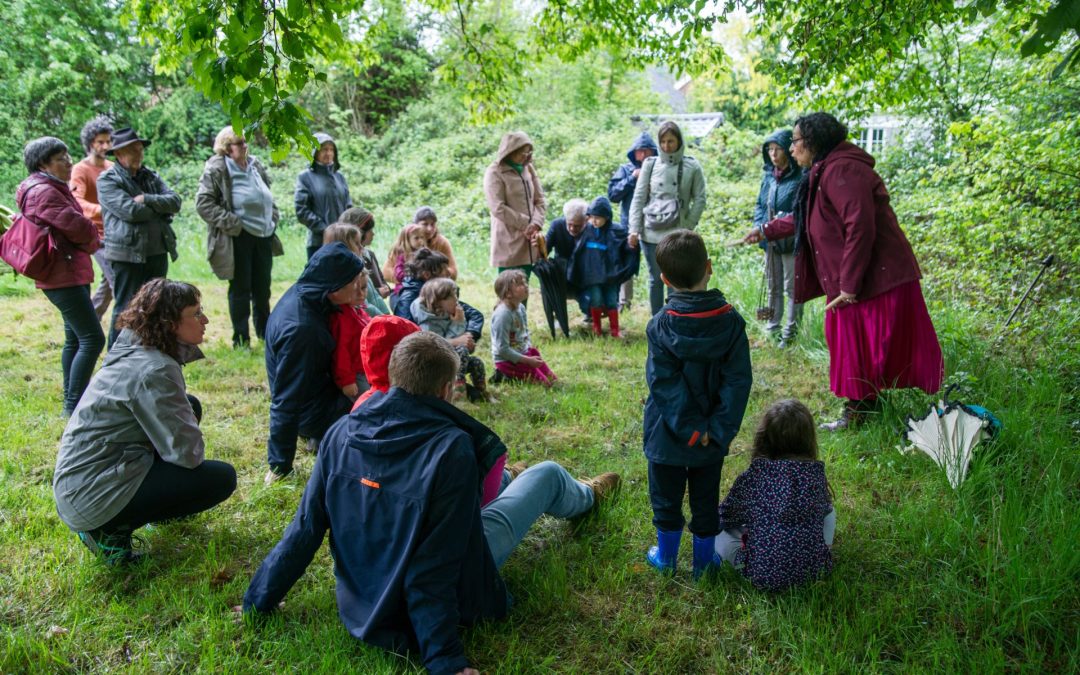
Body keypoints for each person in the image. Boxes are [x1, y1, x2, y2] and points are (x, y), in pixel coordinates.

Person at [241, 331, 620, 674]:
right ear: (445, 390)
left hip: (366, 593)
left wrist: (258, 599)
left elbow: (305, 527)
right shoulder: (450, 447)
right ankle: (587, 495)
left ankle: (506, 479)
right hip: (438, 589)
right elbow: (434, 563)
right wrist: (445, 661)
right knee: (549, 473)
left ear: (393, 377)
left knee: (498, 482)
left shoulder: (340, 431)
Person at [743, 113, 943, 430]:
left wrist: (848, 285)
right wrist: (766, 231)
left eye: (795, 142)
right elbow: (808, 217)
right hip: (857, 279)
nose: (791, 149)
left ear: (813, 142)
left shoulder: (842, 170)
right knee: (852, 344)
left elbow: (859, 226)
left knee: (860, 345)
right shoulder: (825, 170)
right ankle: (864, 408)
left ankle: (860, 413)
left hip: (874, 278)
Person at [53, 279, 236, 564]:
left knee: (190, 405)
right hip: (91, 497)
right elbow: (188, 455)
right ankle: (107, 532)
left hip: (80, 483)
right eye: (196, 313)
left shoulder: (136, 345)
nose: (206, 320)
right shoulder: (155, 368)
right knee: (221, 478)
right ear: (170, 322)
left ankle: (139, 508)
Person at [643, 230, 752, 579]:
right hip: (711, 438)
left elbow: (663, 383)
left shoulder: (660, 325)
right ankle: (703, 564)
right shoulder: (732, 322)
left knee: (666, 496)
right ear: (709, 267)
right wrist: (714, 430)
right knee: (706, 499)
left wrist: (692, 429)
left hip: (667, 434)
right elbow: (738, 382)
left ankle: (667, 558)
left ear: (664, 279)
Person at [263, 242, 366, 485]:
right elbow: (286, 401)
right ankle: (323, 435)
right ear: (334, 287)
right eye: (352, 282)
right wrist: (279, 465)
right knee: (380, 411)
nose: (358, 286)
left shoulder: (308, 291)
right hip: (312, 410)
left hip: (321, 388)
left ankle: (323, 437)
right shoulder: (303, 331)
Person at [18, 137, 104, 415]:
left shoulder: (50, 187)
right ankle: (74, 406)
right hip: (62, 272)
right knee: (93, 339)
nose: (69, 162)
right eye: (60, 158)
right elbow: (79, 227)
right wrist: (94, 236)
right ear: (43, 164)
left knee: (76, 338)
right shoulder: (45, 192)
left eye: (68, 156)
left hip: (66, 269)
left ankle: (72, 401)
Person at [715, 399, 835, 591]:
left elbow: (725, 516)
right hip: (815, 572)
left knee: (719, 533)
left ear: (764, 439)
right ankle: (822, 551)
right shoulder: (815, 474)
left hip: (762, 576)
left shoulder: (756, 474)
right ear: (808, 439)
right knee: (830, 512)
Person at [196, 126, 282, 348]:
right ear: (227, 148)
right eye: (239, 143)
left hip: (263, 234)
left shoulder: (254, 164)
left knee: (263, 288)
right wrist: (233, 223)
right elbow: (204, 204)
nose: (245, 146)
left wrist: (273, 217)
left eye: (245, 142)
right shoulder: (218, 168)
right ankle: (241, 339)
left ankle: (265, 336)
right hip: (238, 236)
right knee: (241, 289)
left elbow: (266, 194)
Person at [97, 127, 182, 348]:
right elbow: (131, 212)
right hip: (127, 254)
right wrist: (159, 208)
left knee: (156, 305)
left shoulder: (150, 175)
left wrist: (145, 198)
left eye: (139, 149)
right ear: (118, 154)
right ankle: (116, 356)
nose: (138, 153)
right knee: (127, 306)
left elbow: (175, 202)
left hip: (157, 250)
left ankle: (148, 350)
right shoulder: (107, 180)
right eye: (131, 150)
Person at [628, 121, 707, 316]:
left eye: (670, 141)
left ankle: (676, 317)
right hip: (650, 232)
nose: (666, 146)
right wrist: (634, 229)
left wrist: (687, 226)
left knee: (677, 281)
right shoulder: (650, 164)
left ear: (679, 141)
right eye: (662, 141)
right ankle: (657, 320)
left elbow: (700, 198)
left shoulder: (692, 166)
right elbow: (639, 197)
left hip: (677, 233)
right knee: (656, 279)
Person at [752, 129, 803, 347]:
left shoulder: (801, 176)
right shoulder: (768, 178)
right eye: (769, 149)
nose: (773, 154)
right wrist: (758, 227)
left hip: (791, 241)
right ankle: (772, 327)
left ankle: (790, 333)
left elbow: (799, 211)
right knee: (773, 286)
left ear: (788, 150)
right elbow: (760, 206)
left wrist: (777, 223)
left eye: (778, 148)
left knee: (793, 288)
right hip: (770, 241)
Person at [412, 277, 495, 403]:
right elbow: (433, 344)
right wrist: (458, 340)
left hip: (451, 359)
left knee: (477, 362)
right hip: (437, 364)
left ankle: (482, 392)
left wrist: (460, 326)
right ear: (439, 301)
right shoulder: (427, 320)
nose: (456, 299)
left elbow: (458, 340)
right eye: (452, 296)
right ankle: (459, 394)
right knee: (461, 349)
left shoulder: (449, 313)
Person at [566, 196, 636, 338]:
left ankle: (615, 330)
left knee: (611, 301)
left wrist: (632, 246)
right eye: (591, 217)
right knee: (595, 300)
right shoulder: (587, 231)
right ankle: (596, 329)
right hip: (592, 277)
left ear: (607, 217)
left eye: (598, 218)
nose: (594, 221)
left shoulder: (616, 231)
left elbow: (626, 249)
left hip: (610, 277)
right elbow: (578, 252)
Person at [69, 116, 115, 321]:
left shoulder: (112, 166)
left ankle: (88, 322)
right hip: (95, 235)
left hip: (116, 231)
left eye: (108, 141)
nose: (106, 145)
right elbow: (76, 201)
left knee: (109, 283)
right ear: (90, 144)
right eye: (100, 142)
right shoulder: (81, 169)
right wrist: (102, 210)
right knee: (118, 281)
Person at [484, 131, 546, 279]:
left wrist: (536, 223)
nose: (526, 157)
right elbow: (497, 207)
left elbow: (540, 200)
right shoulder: (494, 172)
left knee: (523, 287)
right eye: (522, 153)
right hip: (508, 240)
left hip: (529, 240)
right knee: (509, 289)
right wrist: (525, 224)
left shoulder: (528, 168)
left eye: (528, 153)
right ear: (510, 152)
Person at [608, 131, 658, 310]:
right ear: (634, 152)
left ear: (654, 152)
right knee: (625, 263)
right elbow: (613, 195)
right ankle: (624, 301)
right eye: (639, 151)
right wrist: (631, 178)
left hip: (655, 224)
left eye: (647, 151)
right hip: (628, 225)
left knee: (658, 263)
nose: (643, 155)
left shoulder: (659, 168)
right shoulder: (625, 169)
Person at [323, 224, 373, 400]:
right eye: (358, 244)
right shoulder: (342, 312)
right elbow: (341, 350)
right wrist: (346, 380)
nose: (362, 248)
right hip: (355, 374)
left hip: (365, 367)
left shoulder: (355, 305)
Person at [490, 269, 555, 386]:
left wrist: (528, 348)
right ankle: (504, 375)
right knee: (545, 384)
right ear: (508, 293)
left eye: (525, 282)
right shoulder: (503, 315)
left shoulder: (520, 307)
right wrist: (528, 360)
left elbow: (524, 332)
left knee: (552, 379)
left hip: (523, 354)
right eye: (520, 284)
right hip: (507, 361)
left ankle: (525, 368)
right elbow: (502, 349)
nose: (525, 285)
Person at [294, 132, 352, 260]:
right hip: (318, 242)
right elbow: (301, 210)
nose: (329, 153)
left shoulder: (339, 177)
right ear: (315, 152)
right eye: (324, 149)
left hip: (343, 240)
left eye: (331, 150)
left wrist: (347, 229)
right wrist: (325, 229)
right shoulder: (305, 177)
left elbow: (349, 205)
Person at [338, 206, 390, 315]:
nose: (373, 233)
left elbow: (379, 280)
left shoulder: (368, 255)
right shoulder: (350, 267)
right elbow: (362, 301)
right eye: (369, 230)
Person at [543, 198, 589, 319]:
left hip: (584, 278)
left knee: (592, 300)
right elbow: (544, 251)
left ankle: (589, 313)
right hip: (561, 275)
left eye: (577, 226)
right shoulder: (557, 225)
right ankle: (557, 315)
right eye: (569, 224)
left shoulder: (592, 228)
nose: (572, 229)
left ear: (586, 220)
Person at [393, 248, 456, 325]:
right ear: (427, 275)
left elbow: (469, 312)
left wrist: (469, 333)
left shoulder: (440, 290)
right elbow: (405, 331)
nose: (449, 273)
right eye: (444, 269)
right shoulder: (409, 298)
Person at [382, 223, 427, 308]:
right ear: (407, 240)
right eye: (416, 238)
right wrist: (408, 277)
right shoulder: (403, 256)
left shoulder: (424, 254)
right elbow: (398, 272)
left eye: (422, 237)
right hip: (405, 288)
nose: (421, 241)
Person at [413, 206, 459, 280]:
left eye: (433, 224)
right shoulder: (405, 240)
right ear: (415, 225)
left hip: (435, 286)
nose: (429, 229)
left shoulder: (442, 242)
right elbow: (387, 271)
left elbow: (453, 273)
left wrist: (434, 274)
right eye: (425, 224)